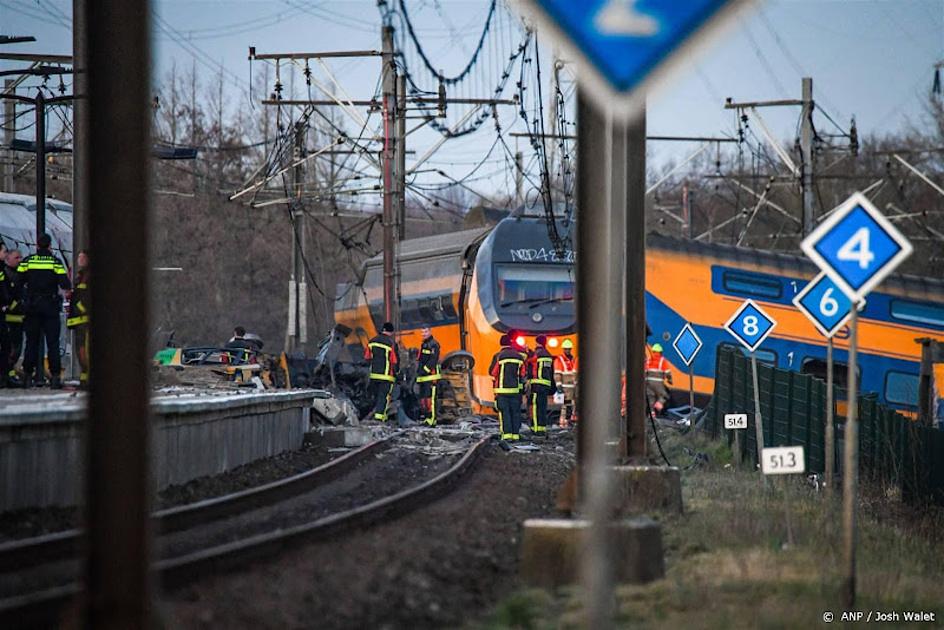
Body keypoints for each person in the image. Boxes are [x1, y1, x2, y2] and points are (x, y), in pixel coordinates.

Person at [17, 233, 71, 388]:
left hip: (32, 306)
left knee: (31, 342)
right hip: (50, 307)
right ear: (49, 246)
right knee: (53, 343)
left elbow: (18, 281)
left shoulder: (28, 261)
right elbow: (65, 284)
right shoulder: (55, 263)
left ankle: (27, 375)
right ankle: (54, 377)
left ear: (36, 245)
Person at [489, 334, 525, 443]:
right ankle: (516, 435)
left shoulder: (499, 356)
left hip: (502, 390)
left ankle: (507, 435)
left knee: (504, 412)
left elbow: (493, 372)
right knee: (515, 412)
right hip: (515, 390)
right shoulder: (519, 357)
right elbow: (523, 373)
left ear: (501, 344)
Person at [365, 322, 399, 422]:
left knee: (376, 396)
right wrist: (397, 373)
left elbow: (367, 357)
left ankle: (375, 415)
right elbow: (394, 361)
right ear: (391, 332)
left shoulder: (372, 341)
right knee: (383, 397)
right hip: (386, 376)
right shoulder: (391, 343)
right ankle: (380, 418)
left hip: (374, 375)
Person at [66, 250, 90, 386]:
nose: (79, 259)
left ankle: (86, 376)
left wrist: (81, 307)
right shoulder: (80, 276)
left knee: (83, 348)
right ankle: (84, 376)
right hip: (78, 318)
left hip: (83, 319)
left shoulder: (89, 275)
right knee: (79, 348)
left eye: (82, 257)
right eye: (78, 256)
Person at [2, 247, 24, 383]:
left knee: (17, 346)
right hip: (9, 317)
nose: (20, 260)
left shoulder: (20, 273)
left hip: (19, 317)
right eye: (16, 258)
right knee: (10, 347)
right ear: (7, 258)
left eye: (20, 257)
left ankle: (9, 372)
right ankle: (7, 373)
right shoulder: (5, 273)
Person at [526, 334, 555, 436]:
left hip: (537, 384)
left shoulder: (536, 354)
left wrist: (527, 352)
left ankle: (536, 428)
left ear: (537, 342)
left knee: (535, 406)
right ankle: (542, 428)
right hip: (546, 384)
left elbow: (529, 362)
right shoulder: (548, 354)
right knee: (543, 407)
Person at [416, 324, 442, 427]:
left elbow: (433, 360)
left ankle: (432, 419)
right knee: (424, 399)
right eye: (422, 332)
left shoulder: (434, 344)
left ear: (430, 332)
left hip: (432, 377)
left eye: (426, 332)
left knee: (431, 399)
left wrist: (425, 370)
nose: (424, 334)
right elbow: (421, 360)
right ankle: (427, 418)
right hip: (423, 377)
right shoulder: (424, 344)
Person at [645, 343, 673, 418]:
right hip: (658, 383)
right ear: (660, 352)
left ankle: (651, 414)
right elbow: (667, 372)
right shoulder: (662, 360)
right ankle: (659, 403)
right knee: (664, 395)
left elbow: (644, 371)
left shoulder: (648, 360)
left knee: (651, 398)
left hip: (648, 382)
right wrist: (670, 380)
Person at [554, 339, 578, 427]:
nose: (567, 350)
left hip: (573, 387)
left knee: (572, 406)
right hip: (565, 387)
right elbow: (557, 374)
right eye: (566, 349)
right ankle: (563, 423)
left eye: (569, 349)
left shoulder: (573, 359)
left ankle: (569, 421)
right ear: (563, 349)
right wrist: (559, 386)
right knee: (565, 406)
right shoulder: (559, 360)